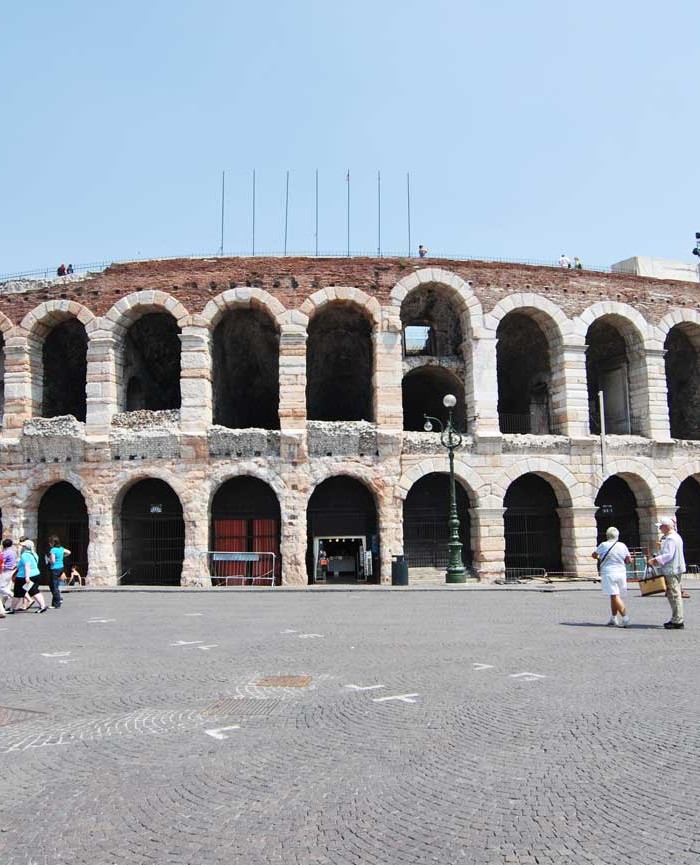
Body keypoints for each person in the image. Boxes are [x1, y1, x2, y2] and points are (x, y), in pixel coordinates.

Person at [648, 516, 686, 629]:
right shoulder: (676, 537)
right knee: (675, 593)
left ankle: (678, 620)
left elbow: (669, 555)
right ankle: (677, 618)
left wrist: (655, 560)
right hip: (677, 568)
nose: (660, 530)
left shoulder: (671, 539)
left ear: (666, 527)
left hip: (671, 569)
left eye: (661, 527)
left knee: (674, 595)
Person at [592, 527, 633, 626]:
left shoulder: (603, 545)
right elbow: (629, 560)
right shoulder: (622, 545)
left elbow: (594, 555)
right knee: (614, 595)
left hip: (609, 572)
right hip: (621, 572)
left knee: (614, 595)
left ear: (607, 535)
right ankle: (613, 618)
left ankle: (625, 617)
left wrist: (600, 557)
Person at [10, 539, 47, 613]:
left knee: (17, 593)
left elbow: (27, 565)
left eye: (23, 546)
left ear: (26, 547)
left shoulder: (25, 555)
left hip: (23, 576)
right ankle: (42, 606)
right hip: (36, 574)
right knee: (34, 591)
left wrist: (27, 577)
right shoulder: (34, 554)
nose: (22, 547)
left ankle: (12, 608)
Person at [47, 535, 71, 609]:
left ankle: (56, 602)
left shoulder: (53, 550)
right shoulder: (61, 549)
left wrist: (49, 560)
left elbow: (53, 561)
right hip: (61, 567)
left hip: (54, 568)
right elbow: (69, 552)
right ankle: (58, 598)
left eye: (50, 542)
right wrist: (62, 557)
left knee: (53, 586)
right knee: (55, 584)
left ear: (52, 543)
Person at [0, 538, 18, 616]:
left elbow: (2, 562)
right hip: (12, 570)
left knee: (1, 587)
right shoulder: (13, 552)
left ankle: (12, 595)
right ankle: (2, 605)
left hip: (5, 571)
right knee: (7, 587)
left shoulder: (4, 553)